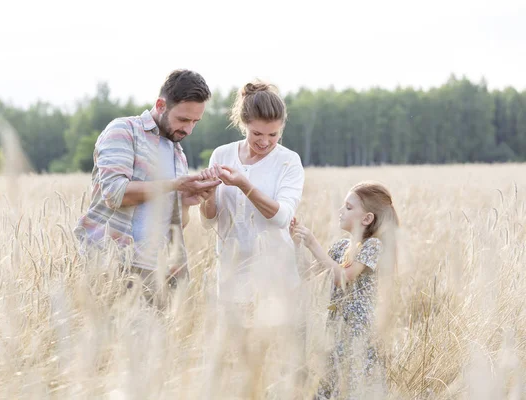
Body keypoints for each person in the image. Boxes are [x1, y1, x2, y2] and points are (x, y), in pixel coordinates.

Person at [198, 81, 305, 398]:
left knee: (276, 360)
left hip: (275, 275)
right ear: (243, 124)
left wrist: (245, 186)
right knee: (238, 362)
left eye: (274, 135)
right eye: (257, 134)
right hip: (231, 274)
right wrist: (206, 196)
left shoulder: (289, 161)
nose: (266, 142)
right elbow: (209, 221)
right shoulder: (222, 154)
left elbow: (282, 217)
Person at [74, 69, 220, 300]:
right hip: (115, 266)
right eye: (183, 119)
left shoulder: (177, 152)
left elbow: (177, 225)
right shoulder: (124, 131)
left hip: (161, 270)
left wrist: (186, 202)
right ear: (161, 105)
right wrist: (173, 185)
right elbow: (114, 194)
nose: (188, 129)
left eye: (195, 122)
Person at [290, 181, 399, 399]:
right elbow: (307, 274)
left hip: (358, 332)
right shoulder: (340, 246)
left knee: (352, 384)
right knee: (329, 382)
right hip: (336, 330)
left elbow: (343, 278)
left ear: (367, 218)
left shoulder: (373, 246)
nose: (341, 211)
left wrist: (313, 244)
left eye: (349, 208)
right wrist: (297, 244)